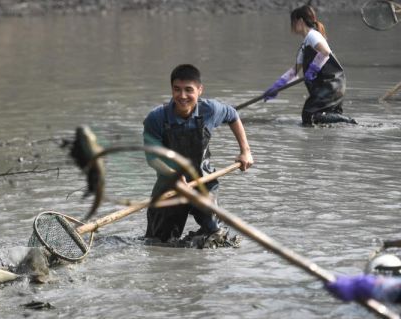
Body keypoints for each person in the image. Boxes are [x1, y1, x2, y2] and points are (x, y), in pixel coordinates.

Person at [142, 64, 253, 244]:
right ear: (171, 89)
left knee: (215, 236)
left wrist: (245, 151)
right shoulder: (156, 118)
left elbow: (233, 115)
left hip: (203, 182)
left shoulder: (211, 110)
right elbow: (152, 157)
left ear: (200, 90)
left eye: (189, 90)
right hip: (169, 186)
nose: (182, 96)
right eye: (177, 90)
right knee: (158, 243)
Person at [264, 5, 357, 125]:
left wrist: (313, 68)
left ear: (300, 21)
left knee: (309, 115)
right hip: (326, 87)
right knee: (323, 122)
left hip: (331, 85)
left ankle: (349, 121)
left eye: (292, 22)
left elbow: (325, 52)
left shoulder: (313, 36)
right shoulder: (304, 45)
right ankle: (344, 124)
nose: (291, 26)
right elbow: (295, 71)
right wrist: (277, 87)